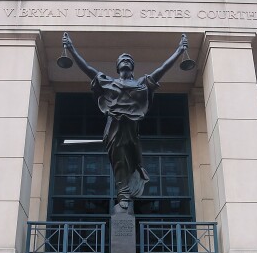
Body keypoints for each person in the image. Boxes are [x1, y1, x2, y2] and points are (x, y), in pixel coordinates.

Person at [63, 32, 188, 209]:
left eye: (129, 59)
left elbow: (160, 71)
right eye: (122, 59)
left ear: (133, 67)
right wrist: (71, 48)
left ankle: (132, 187)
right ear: (117, 66)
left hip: (131, 132)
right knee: (120, 162)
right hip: (114, 131)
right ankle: (123, 196)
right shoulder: (108, 83)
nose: (126, 60)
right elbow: (88, 69)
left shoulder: (141, 83)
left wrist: (179, 51)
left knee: (135, 164)